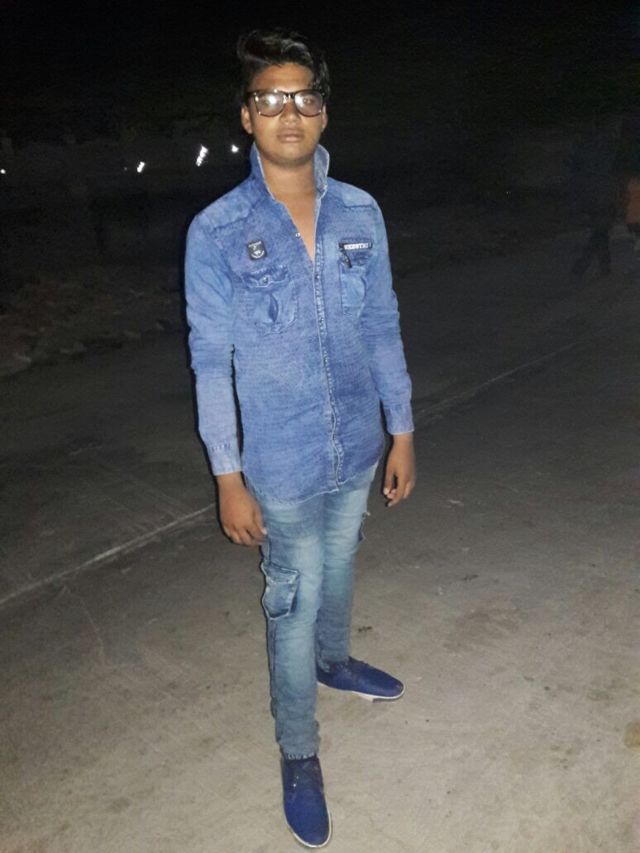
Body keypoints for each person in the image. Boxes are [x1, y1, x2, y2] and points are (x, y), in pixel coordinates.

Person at [185, 29, 415, 848]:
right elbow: (210, 360)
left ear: (323, 111)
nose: (290, 112)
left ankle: (335, 660)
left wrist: (401, 427)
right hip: (278, 461)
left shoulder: (360, 210)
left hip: (356, 441)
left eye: (304, 97)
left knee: (342, 559)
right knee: (294, 595)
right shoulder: (217, 230)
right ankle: (298, 748)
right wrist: (228, 474)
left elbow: (382, 324)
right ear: (247, 116)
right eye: (271, 99)